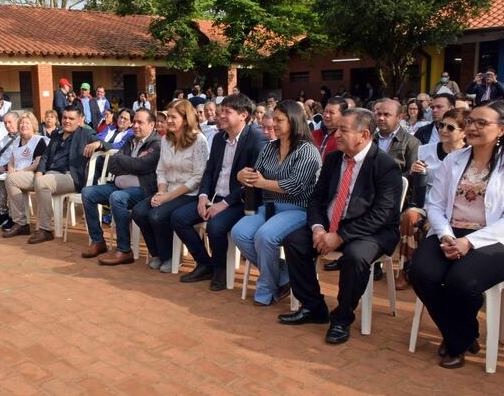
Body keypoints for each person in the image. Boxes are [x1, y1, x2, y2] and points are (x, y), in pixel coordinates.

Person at [409, 101, 504, 368]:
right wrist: (444, 235)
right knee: (421, 273)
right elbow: (435, 204)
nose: (473, 127)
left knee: (462, 281)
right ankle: (463, 335)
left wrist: (469, 242)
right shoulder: (454, 159)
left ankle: (455, 341)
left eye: (481, 123)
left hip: (497, 238)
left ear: (501, 129)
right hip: (450, 231)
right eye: (471, 122)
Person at [279, 108, 402, 345]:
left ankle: (342, 318)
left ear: (364, 135)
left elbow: (383, 214)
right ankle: (314, 308)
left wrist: (341, 236)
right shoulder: (334, 158)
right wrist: (317, 228)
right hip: (329, 224)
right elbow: (317, 198)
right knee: (294, 242)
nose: (336, 135)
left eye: (343, 130)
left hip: (370, 230)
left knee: (355, 258)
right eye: (336, 130)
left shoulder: (385, 165)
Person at [171, 93, 266, 291]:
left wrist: (224, 204)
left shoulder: (256, 139)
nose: (221, 115)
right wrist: (203, 196)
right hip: (213, 197)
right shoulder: (218, 139)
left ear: (243, 115)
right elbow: (210, 171)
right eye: (221, 111)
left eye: (227, 112)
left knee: (215, 226)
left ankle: (220, 270)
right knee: (179, 217)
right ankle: (205, 263)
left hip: (239, 201)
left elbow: (251, 182)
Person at [232, 101, 321, 305]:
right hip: (270, 206)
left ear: (294, 121)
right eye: (275, 119)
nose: (274, 124)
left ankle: (266, 289)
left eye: (280, 120)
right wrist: (242, 175)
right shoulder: (270, 147)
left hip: (298, 208)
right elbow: (256, 173)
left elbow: (295, 186)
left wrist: (263, 182)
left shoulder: (307, 151)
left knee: (265, 236)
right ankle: (283, 273)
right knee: (240, 233)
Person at [132, 99, 209, 273]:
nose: (169, 121)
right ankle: (158, 253)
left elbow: (198, 177)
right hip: (167, 189)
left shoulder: (199, 141)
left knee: (157, 215)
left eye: (174, 117)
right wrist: (161, 192)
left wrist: (167, 198)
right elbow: (161, 170)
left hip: (190, 193)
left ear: (186, 118)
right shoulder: (166, 140)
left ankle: (170, 256)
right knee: (139, 212)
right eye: (168, 117)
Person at [396, 108, 468, 289]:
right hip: (427, 203)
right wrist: (414, 172)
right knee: (410, 216)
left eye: (450, 128)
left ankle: (444, 272)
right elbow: (416, 185)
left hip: (456, 207)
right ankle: (406, 270)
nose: (443, 130)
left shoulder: (470, 155)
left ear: (464, 132)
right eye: (441, 125)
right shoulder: (425, 150)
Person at [80, 108, 162, 264]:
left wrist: (126, 162)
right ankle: (98, 241)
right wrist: (132, 164)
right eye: (135, 122)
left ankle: (124, 250)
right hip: (119, 185)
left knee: (117, 198)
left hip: (143, 190)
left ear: (152, 125)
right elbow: (112, 163)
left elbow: (142, 165)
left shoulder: (156, 144)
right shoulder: (131, 140)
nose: (136, 126)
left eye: (140, 122)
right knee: (87, 193)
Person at [30, 105, 98, 244]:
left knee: (42, 183)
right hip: (49, 173)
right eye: (65, 117)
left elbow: (109, 144)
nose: (67, 121)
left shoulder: (85, 134)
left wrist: (98, 144)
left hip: (69, 177)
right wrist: (38, 172)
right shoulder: (57, 134)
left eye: (71, 118)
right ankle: (20, 223)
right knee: (13, 179)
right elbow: (44, 156)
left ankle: (45, 229)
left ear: (79, 120)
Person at [2, 112, 48, 237]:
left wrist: (21, 172)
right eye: (21, 123)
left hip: (34, 174)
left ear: (33, 125)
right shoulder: (17, 140)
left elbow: (38, 163)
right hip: (18, 175)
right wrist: (11, 168)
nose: (23, 125)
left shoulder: (39, 141)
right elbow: (12, 159)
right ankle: (8, 216)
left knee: (11, 180)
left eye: (27, 123)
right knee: (4, 180)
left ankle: (20, 222)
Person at [373, 98, 420, 175]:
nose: (381, 118)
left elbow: (413, 172)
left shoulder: (412, 143)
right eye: (379, 114)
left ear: (399, 117)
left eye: (386, 115)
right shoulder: (369, 140)